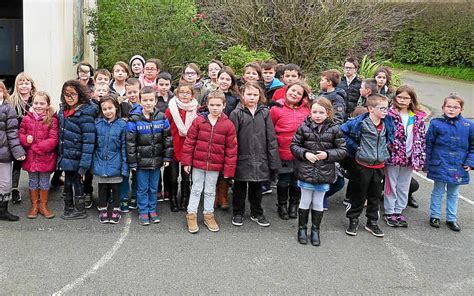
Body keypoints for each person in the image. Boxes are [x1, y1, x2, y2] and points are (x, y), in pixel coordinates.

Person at [291, 97, 346, 246]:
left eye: (321, 112)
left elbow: (342, 150)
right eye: (314, 112)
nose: (317, 115)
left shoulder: (335, 129)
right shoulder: (304, 127)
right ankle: (301, 229)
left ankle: (315, 230)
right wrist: (305, 154)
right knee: (305, 199)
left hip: (324, 172)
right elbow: (294, 145)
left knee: (318, 201)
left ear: (328, 113)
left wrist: (327, 155)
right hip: (306, 171)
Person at [181, 90, 237, 233]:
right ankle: (191, 214)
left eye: (218, 105)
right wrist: (186, 162)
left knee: (210, 191)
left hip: (215, 165)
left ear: (223, 105)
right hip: (198, 163)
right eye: (212, 104)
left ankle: (208, 214)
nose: (215, 108)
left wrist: (228, 170)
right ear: (207, 105)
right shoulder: (199, 121)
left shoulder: (228, 125)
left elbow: (231, 149)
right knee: (196, 189)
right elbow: (189, 142)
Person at [341, 94, 394, 237]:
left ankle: (372, 221)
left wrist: (385, 149)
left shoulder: (388, 122)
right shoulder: (360, 123)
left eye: (387, 108)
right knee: (359, 194)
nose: (385, 111)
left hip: (379, 165)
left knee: (375, 196)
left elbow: (391, 136)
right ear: (370, 108)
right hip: (362, 165)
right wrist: (356, 147)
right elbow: (342, 131)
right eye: (382, 108)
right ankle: (353, 219)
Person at [229, 81, 281, 227]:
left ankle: (257, 212)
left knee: (256, 189)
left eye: (255, 95)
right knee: (239, 188)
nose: (252, 97)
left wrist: (273, 161)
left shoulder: (265, 113)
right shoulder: (236, 113)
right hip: (241, 158)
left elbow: (271, 137)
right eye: (249, 94)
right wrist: (232, 160)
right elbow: (232, 140)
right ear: (242, 95)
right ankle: (238, 213)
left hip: (260, 158)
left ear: (260, 96)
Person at [425, 94, 473, 232]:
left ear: (461, 109)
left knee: (453, 192)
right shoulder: (436, 123)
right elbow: (429, 144)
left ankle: (452, 218)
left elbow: (473, 146)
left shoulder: (468, 126)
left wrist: (470, 162)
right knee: (438, 191)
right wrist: (427, 164)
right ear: (443, 107)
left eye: (455, 107)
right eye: (449, 106)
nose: (451, 109)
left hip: (458, 165)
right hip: (440, 163)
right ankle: (435, 216)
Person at [126, 86, 173, 225]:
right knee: (142, 188)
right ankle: (143, 211)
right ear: (140, 101)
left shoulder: (162, 117)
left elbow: (168, 139)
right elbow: (130, 143)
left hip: (157, 161)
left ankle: (152, 210)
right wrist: (132, 162)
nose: (148, 103)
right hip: (141, 163)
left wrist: (167, 157)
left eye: (151, 100)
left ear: (155, 101)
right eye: (145, 100)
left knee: (154, 188)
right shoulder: (134, 119)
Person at [384, 85, 426, 228]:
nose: (402, 100)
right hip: (392, 157)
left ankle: (398, 210)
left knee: (403, 185)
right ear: (395, 98)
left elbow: (421, 138)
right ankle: (389, 211)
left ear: (411, 100)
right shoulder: (389, 114)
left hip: (409, 157)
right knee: (391, 184)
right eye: (400, 97)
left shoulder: (417, 117)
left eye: (406, 98)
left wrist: (419, 157)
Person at [57, 80, 98, 220]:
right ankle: (68, 207)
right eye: (66, 94)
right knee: (68, 181)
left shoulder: (86, 113)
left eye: (72, 94)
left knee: (77, 182)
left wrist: (84, 165)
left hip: (78, 156)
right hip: (66, 155)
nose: (69, 97)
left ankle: (79, 209)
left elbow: (89, 141)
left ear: (80, 94)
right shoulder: (63, 110)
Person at [270, 81, 311, 220]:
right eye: (293, 90)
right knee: (283, 181)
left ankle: (294, 204)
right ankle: (282, 205)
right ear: (287, 90)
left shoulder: (307, 110)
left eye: (299, 93)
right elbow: (270, 128)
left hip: (301, 152)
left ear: (303, 97)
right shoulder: (276, 108)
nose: (294, 94)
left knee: (297, 181)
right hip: (282, 150)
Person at [19, 91, 58, 219]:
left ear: (47, 105)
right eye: (36, 103)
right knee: (33, 181)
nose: (38, 105)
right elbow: (20, 134)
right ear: (32, 103)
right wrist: (26, 139)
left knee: (44, 182)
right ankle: (34, 206)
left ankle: (43, 205)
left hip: (45, 157)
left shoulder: (52, 119)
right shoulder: (26, 118)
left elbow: (53, 139)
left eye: (42, 103)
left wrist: (36, 147)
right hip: (31, 159)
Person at [93, 96, 128, 224]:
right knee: (102, 187)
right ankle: (102, 208)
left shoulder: (122, 125)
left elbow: (124, 147)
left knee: (116, 187)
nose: (108, 111)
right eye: (104, 109)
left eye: (110, 108)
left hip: (116, 162)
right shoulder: (97, 124)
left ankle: (116, 209)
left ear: (116, 108)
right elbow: (94, 145)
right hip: (100, 161)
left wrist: (124, 167)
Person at [165, 84, 199, 212]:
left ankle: (185, 198)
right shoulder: (171, 109)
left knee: (186, 177)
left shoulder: (196, 109)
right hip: (174, 146)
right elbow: (165, 128)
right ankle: (173, 198)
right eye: (182, 92)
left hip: (189, 147)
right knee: (173, 177)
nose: (184, 95)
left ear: (192, 95)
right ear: (177, 94)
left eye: (187, 93)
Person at [9, 72, 37, 204]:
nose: (24, 85)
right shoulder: (11, 101)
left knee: (38, 161)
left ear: (31, 86)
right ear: (17, 85)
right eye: (21, 83)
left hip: (34, 137)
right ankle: (14, 188)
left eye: (27, 83)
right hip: (16, 137)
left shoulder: (37, 100)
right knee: (17, 163)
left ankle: (38, 186)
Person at [0, 81, 26, 221]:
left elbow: (12, 132)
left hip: (4, 153)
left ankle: (3, 210)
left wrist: (18, 152)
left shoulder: (8, 108)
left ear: (3, 92)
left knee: (5, 183)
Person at [118, 78, 141, 212]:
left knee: (137, 173)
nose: (132, 94)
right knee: (125, 173)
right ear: (125, 92)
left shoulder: (143, 106)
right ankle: (123, 198)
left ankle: (135, 196)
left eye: (134, 91)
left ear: (139, 90)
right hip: (125, 144)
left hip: (138, 145)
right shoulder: (122, 106)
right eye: (129, 92)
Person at [155, 72, 174, 202]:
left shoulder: (174, 98)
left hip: (171, 134)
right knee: (157, 163)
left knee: (169, 163)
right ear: (156, 85)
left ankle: (168, 189)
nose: (164, 87)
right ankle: (157, 189)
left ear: (170, 85)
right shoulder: (154, 99)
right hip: (156, 134)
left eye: (166, 84)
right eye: (161, 84)